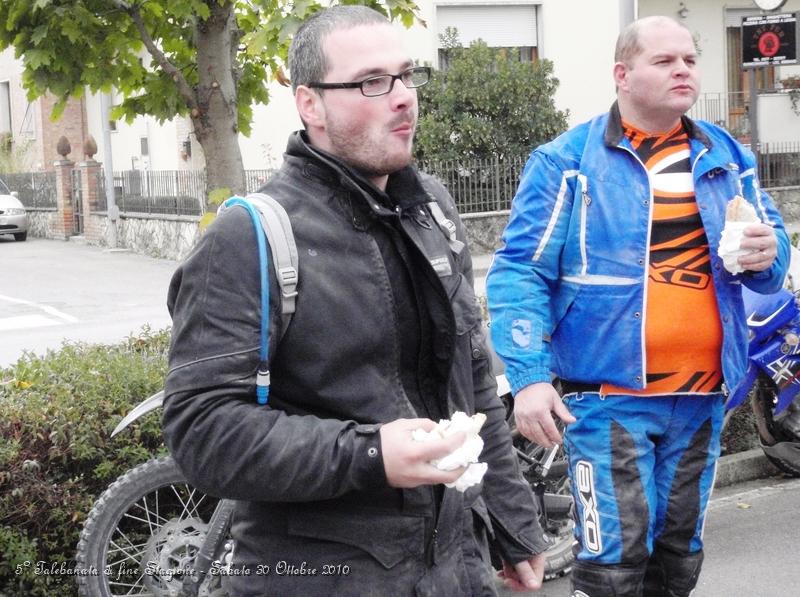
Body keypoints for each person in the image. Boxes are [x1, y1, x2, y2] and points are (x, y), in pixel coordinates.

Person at [162, 5, 548, 596]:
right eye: (371, 82)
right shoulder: (251, 237)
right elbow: (202, 433)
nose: (403, 98)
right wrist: (371, 453)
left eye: (407, 76)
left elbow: (469, 379)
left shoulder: (431, 209)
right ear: (309, 104)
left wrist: (513, 524)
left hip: (454, 570)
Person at [486, 15, 790, 597]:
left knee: (677, 561)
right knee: (614, 567)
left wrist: (767, 250)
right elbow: (518, 270)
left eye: (690, 60)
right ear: (622, 75)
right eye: (664, 61)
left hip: (701, 399)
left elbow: (773, 263)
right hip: (607, 399)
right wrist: (527, 378)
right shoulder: (566, 162)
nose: (683, 70)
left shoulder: (727, 154)